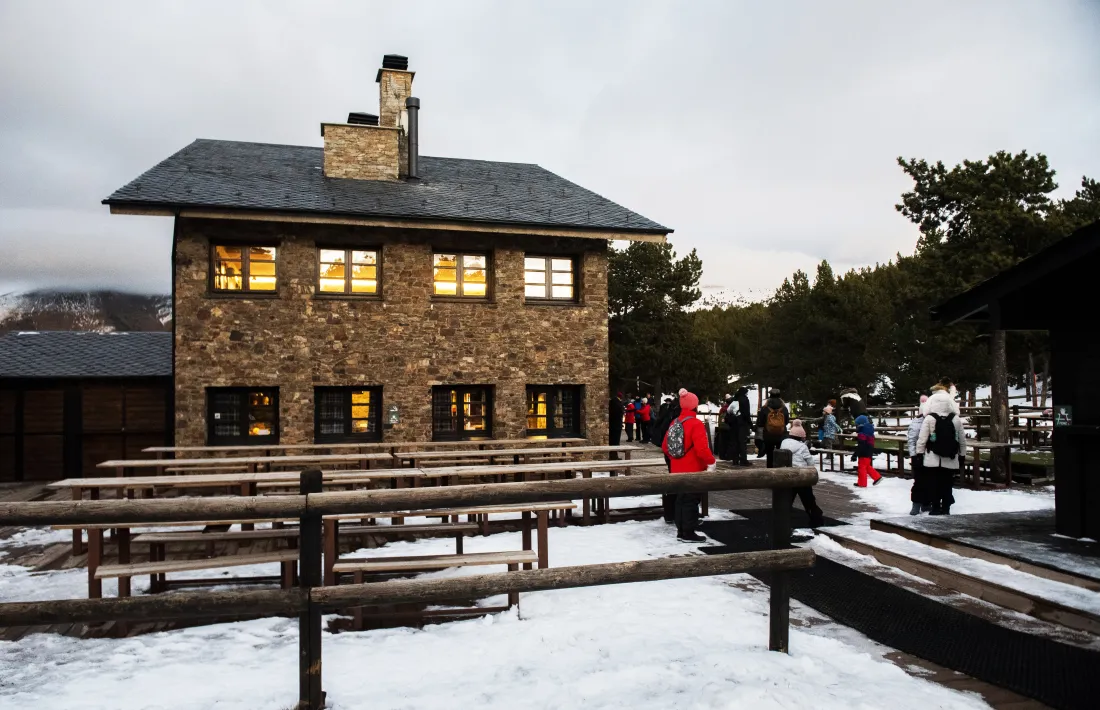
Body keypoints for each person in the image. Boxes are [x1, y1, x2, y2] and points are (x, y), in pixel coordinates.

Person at [662, 389, 716, 542]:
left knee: (680, 500)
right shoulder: (696, 424)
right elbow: (702, 449)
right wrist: (711, 462)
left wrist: (676, 459)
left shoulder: (674, 422)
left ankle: (681, 531)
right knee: (691, 501)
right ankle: (688, 532)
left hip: (676, 469)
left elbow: (665, 447)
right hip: (693, 469)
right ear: (695, 406)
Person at [917, 386, 966, 515]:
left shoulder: (930, 418)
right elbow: (962, 440)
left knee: (934, 483)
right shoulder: (955, 419)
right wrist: (962, 455)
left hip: (933, 458)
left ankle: (935, 508)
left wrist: (919, 454)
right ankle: (946, 507)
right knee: (947, 484)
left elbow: (922, 439)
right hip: (950, 458)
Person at [778, 420, 825, 529]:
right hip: (802, 475)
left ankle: (782, 518)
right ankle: (815, 517)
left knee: (788, 498)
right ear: (801, 437)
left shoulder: (783, 443)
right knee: (808, 499)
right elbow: (809, 461)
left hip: (788, 474)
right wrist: (811, 470)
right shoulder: (802, 447)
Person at [651, 393, 682, 523]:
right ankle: (675, 515)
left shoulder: (669, 411)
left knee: (673, 481)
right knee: (680, 485)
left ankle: (670, 514)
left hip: (670, 453)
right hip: (678, 456)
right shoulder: (678, 418)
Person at [907, 395, 932, 514]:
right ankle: (916, 504)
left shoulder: (933, 421)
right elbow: (911, 441)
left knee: (930, 480)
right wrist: (914, 455)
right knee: (919, 481)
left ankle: (926, 503)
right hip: (919, 456)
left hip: (931, 455)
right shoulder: (916, 423)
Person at [756, 389, 790, 466]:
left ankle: (770, 470)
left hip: (768, 434)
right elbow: (787, 421)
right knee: (780, 452)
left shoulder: (765, 408)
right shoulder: (784, 408)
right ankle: (779, 469)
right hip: (781, 434)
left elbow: (760, 423)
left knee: (769, 453)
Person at [853, 413, 883, 487]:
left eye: (856, 424)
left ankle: (862, 483)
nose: (856, 426)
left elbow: (861, 444)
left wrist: (855, 454)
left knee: (862, 468)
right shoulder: (869, 430)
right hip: (869, 450)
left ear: (860, 424)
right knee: (866, 466)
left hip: (864, 451)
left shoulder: (862, 432)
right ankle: (877, 477)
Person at [729, 386, 752, 465]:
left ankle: (735, 460)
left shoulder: (734, 399)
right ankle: (743, 460)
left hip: (734, 424)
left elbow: (729, 410)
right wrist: (751, 425)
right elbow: (747, 414)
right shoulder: (745, 400)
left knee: (735, 442)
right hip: (742, 424)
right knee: (742, 442)